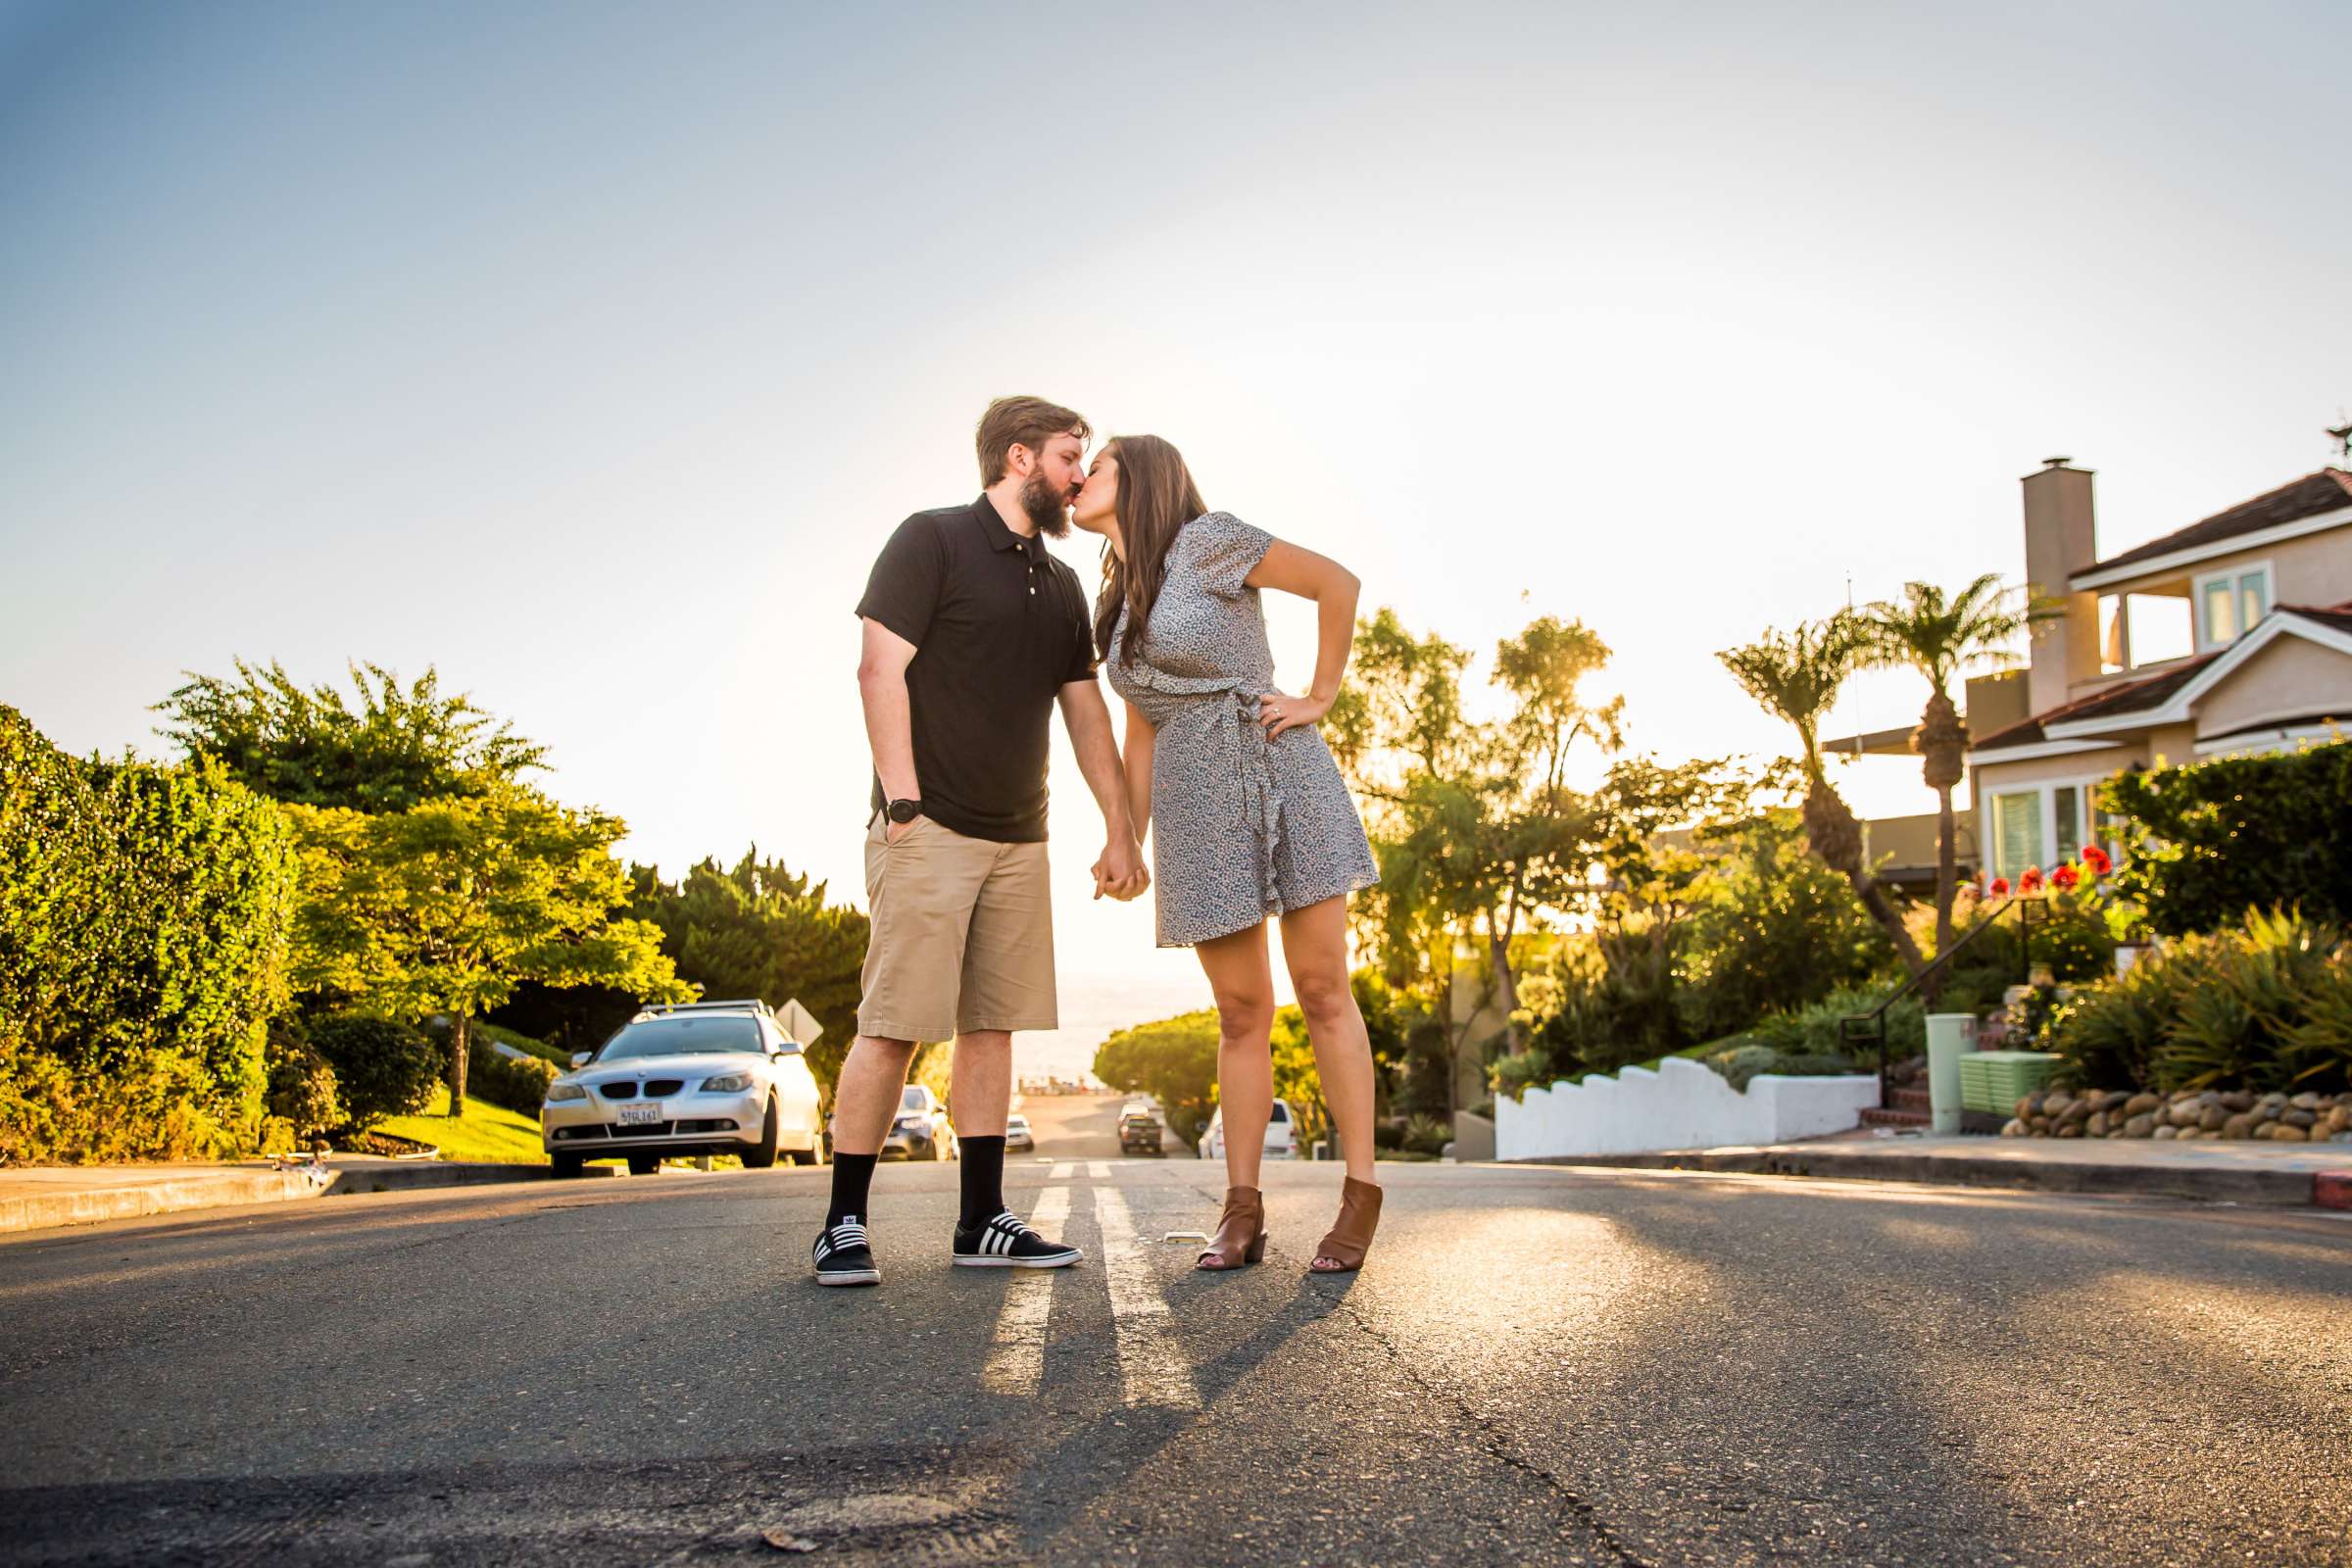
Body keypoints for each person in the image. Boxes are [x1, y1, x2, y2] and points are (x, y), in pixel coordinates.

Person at [814, 397, 1148, 1289]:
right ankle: (843, 1222)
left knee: (990, 1027)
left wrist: (1121, 829)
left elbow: (1085, 719)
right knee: (893, 1027)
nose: (1081, 475)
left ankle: (982, 1221)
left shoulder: (1063, 585)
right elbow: (876, 667)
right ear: (1018, 459)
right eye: (1071, 456)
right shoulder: (931, 541)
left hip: (1019, 838)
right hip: (929, 828)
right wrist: (904, 798)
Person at [1070, 434, 1383, 1274]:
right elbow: (1142, 728)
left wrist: (1319, 694)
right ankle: (1241, 1211)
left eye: (1094, 465)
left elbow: (1335, 583)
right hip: (1194, 807)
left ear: (1137, 479)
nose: (1079, 478)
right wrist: (1123, 837)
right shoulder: (1121, 603)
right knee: (1242, 1012)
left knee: (1321, 989)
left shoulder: (1210, 540)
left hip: (1279, 765)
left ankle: (1359, 1195)